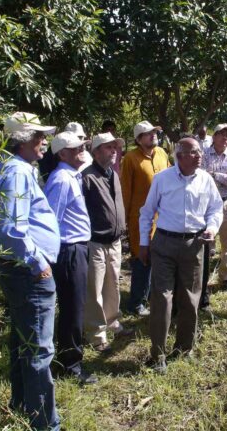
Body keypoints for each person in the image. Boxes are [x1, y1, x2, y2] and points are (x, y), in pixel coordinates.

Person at [0, 112, 61, 430]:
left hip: (18, 269)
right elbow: (12, 228)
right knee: (38, 350)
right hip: (27, 271)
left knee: (23, 343)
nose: (43, 141)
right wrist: (38, 263)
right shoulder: (17, 171)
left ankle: (21, 408)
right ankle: (44, 423)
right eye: (38, 136)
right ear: (22, 140)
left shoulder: (10, 167)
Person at [139, 138, 224, 372]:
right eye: (194, 152)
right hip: (164, 243)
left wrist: (212, 228)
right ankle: (157, 354)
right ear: (179, 156)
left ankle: (184, 348)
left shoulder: (206, 179)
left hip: (194, 244)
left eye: (199, 151)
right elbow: (147, 213)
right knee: (162, 297)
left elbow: (215, 209)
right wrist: (144, 243)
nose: (199, 156)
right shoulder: (162, 179)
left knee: (190, 297)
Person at [43, 131, 98, 385]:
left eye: (82, 146)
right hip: (68, 250)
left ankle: (68, 358)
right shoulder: (62, 179)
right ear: (62, 154)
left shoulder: (71, 176)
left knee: (74, 306)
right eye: (76, 148)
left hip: (77, 248)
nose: (82, 150)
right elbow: (51, 221)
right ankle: (71, 365)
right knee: (72, 308)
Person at [82, 132, 129, 353]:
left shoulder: (113, 174)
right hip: (96, 242)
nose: (114, 151)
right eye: (109, 147)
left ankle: (112, 321)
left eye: (115, 147)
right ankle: (96, 334)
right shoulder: (87, 177)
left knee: (113, 285)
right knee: (95, 289)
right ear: (96, 152)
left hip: (115, 241)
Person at [120, 121, 171, 316]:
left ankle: (150, 296)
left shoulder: (162, 153)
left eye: (154, 132)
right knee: (142, 258)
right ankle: (136, 303)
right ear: (139, 139)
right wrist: (124, 220)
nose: (153, 135)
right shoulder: (130, 159)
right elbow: (125, 190)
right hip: (139, 218)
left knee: (158, 257)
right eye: (148, 134)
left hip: (163, 217)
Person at [200, 124, 227, 307]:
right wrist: (223, 176)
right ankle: (202, 276)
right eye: (222, 134)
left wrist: (215, 175)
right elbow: (200, 176)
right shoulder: (203, 154)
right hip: (206, 204)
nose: (225, 138)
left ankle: (226, 276)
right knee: (205, 242)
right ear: (214, 136)